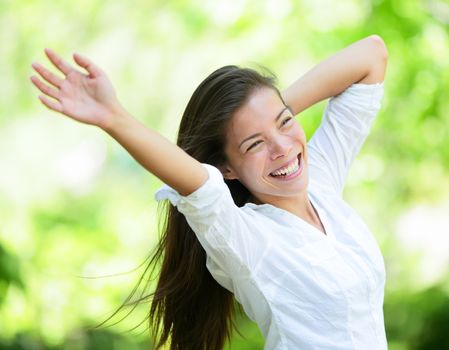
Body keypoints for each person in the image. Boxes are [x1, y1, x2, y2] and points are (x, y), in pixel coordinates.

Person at [30, 34, 388, 350]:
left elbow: (371, 56)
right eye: (254, 145)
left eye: (286, 121)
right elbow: (198, 185)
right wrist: (113, 117)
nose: (281, 147)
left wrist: (263, 115)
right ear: (226, 168)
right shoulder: (247, 239)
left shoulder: (320, 182)